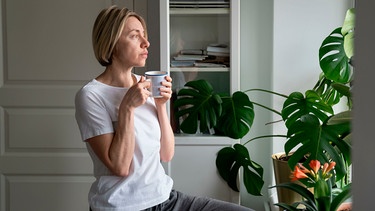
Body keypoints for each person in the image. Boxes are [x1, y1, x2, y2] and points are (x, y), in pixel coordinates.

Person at [75, 5, 254, 211]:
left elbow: (166, 154)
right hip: (122, 205)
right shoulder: (91, 96)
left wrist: (161, 106)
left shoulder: (145, 84)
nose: (146, 43)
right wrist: (126, 108)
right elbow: (120, 167)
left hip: (166, 198)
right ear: (112, 43)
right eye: (135, 36)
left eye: (144, 35)